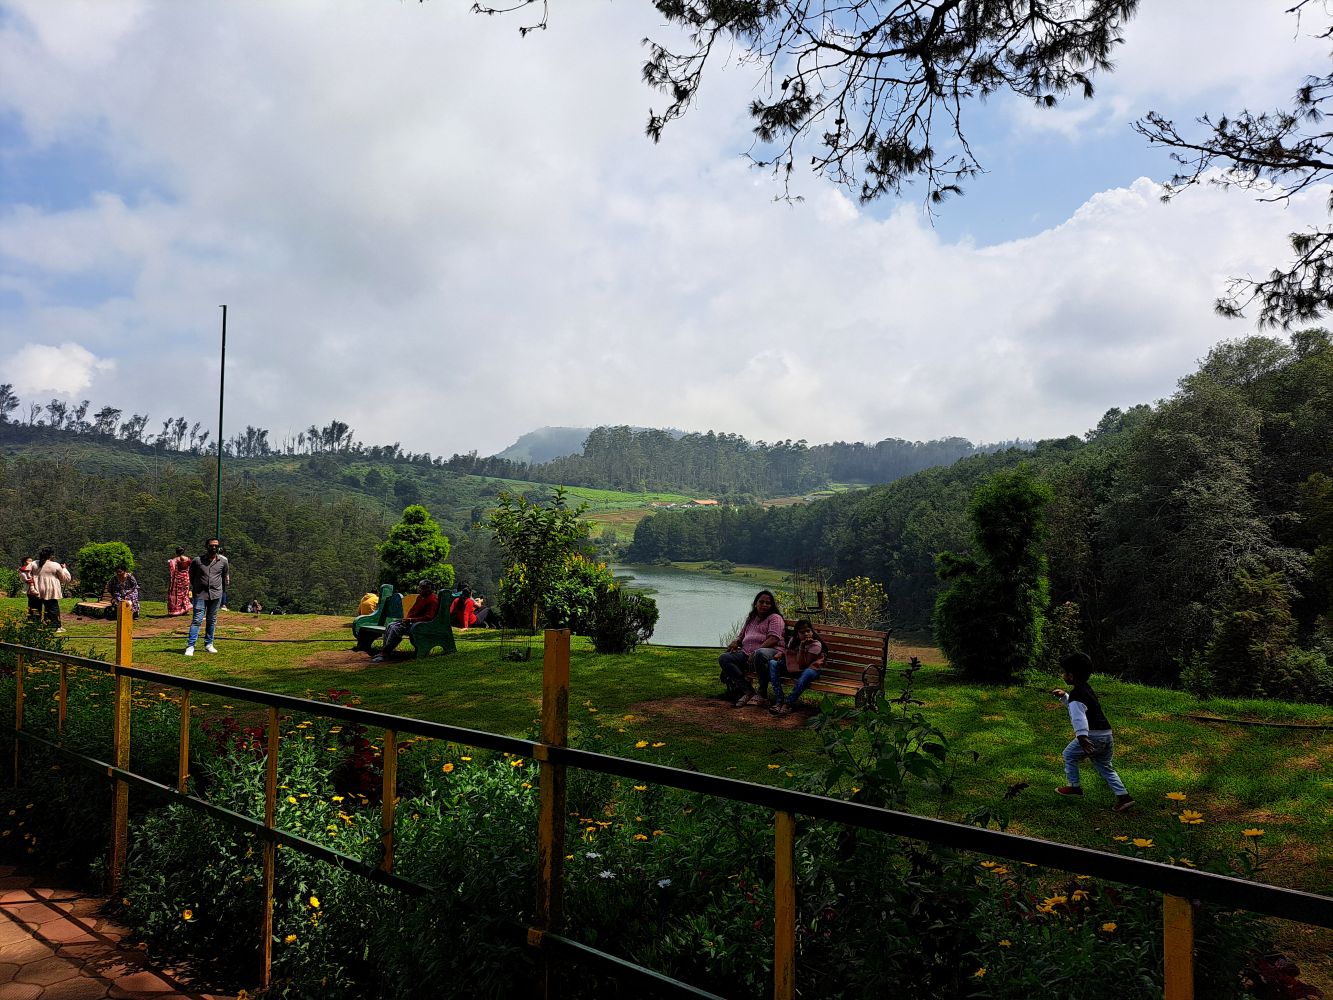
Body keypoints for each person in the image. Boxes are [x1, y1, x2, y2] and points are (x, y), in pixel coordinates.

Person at [1052, 652, 1135, 813]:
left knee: (1069, 755)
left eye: (1065, 672)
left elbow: (1079, 718)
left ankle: (1074, 787)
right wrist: (1064, 697)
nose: (1063, 675)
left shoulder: (1077, 695)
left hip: (1092, 736)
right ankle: (1124, 797)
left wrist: (1082, 737)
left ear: (1071, 676)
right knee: (1105, 766)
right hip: (1106, 734)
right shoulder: (1086, 689)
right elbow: (1082, 708)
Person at [719, 590, 785, 707]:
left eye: (768, 603)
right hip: (747, 653)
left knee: (760, 653)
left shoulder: (775, 618)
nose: (764, 605)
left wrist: (754, 652)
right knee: (725, 658)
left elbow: (774, 638)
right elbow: (741, 636)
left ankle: (762, 694)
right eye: (761, 602)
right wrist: (736, 642)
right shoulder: (751, 618)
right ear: (755, 604)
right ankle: (748, 691)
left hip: (771, 653)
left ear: (772, 605)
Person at [371, 579, 439, 662]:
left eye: (422, 588)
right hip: (412, 622)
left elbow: (428, 618)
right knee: (390, 625)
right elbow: (412, 610)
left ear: (429, 589)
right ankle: (384, 651)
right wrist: (406, 620)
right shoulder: (420, 597)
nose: (420, 590)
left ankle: (385, 653)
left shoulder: (432, 600)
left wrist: (410, 620)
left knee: (395, 629)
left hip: (421, 625)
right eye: (420, 587)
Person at [769, 619, 826, 716]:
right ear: (797, 634)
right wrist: (782, 653)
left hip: (810, 669)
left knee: (807, 673)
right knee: (773, 663)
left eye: (808, 631)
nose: (806, 634)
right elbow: (790, 653)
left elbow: (803, 664)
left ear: (812, 631)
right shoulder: (793, 640)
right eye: (802, 632)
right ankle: (779, 699)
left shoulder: (816, 645)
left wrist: (802, 646)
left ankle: (788, 703)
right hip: (794, 668)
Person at [186, 538, 230, 657]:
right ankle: (191, 645)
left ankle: (209, 644)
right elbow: (191, 575)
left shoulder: (223, 561)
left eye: (216, 546)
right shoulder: (197, 561)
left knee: (212, 620)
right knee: (197, 620)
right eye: (211, 545)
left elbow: (224, 575)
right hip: (200, 594)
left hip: (215, 594)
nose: (214, 547)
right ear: (206, 546)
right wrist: (196, 587)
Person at [31, 547, 72, 633]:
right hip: (50, 589)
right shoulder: (55, 565)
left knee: (35, 608)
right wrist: (64, 568)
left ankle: (34, 625)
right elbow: (65, 578)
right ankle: (53, 626)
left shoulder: (34, 563)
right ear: (50, 555)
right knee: (52, 608)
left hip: (36, 589)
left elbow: (25, 571)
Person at [166, 547, 192, 616]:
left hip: (177, 580)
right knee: (185, 594)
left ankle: (176, 610)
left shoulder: (174, 560)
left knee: (176, 595)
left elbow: (172, 570)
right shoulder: (188, 559)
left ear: (176, 552)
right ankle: (185, 609)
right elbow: (191, 568)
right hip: (185, 578)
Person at [19, 556, 41, 622]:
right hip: (30, 590)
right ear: (24, 562)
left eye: (31, 561)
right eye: (29, 561)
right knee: (33, 604)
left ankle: (36, 619)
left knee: (37, 604)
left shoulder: (32, 568)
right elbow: (25, 579)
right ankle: (33, 619)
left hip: (36, 588)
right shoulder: (23, 570)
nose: (31, 562)